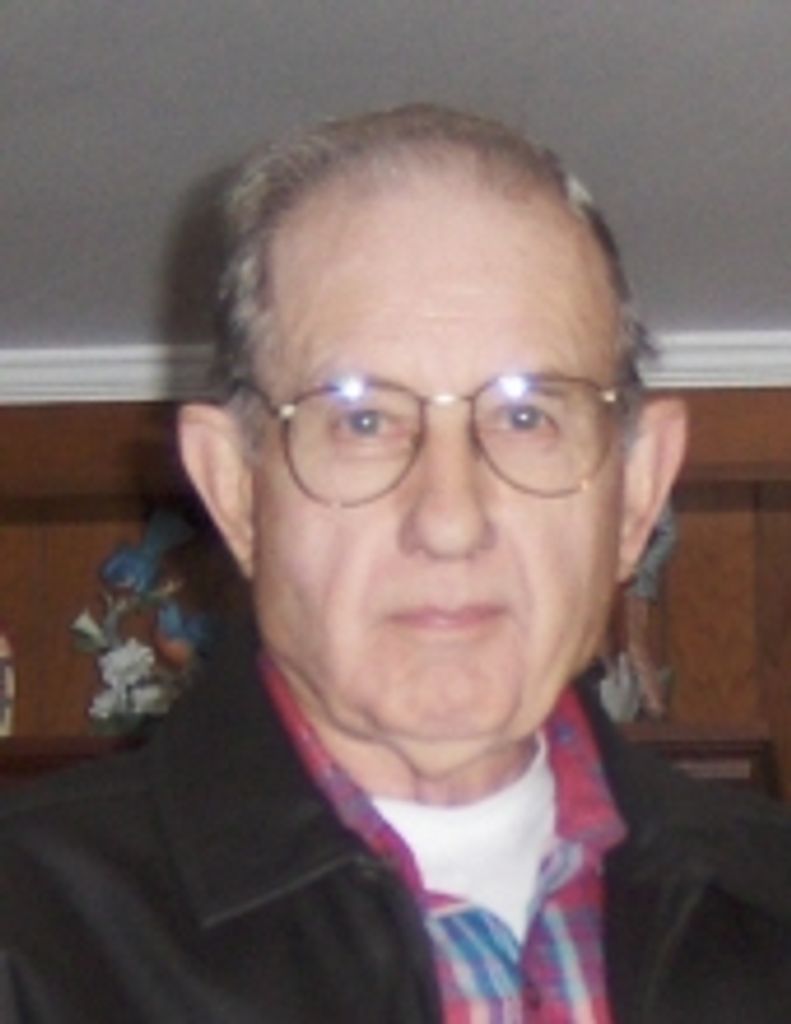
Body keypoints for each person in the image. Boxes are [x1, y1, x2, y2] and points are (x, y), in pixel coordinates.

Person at [1, 103, 790, 1023]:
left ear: (638, 491)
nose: (448, 519)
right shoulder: (29, 935)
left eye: (526, 416)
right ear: (235, 491)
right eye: (362, 420)